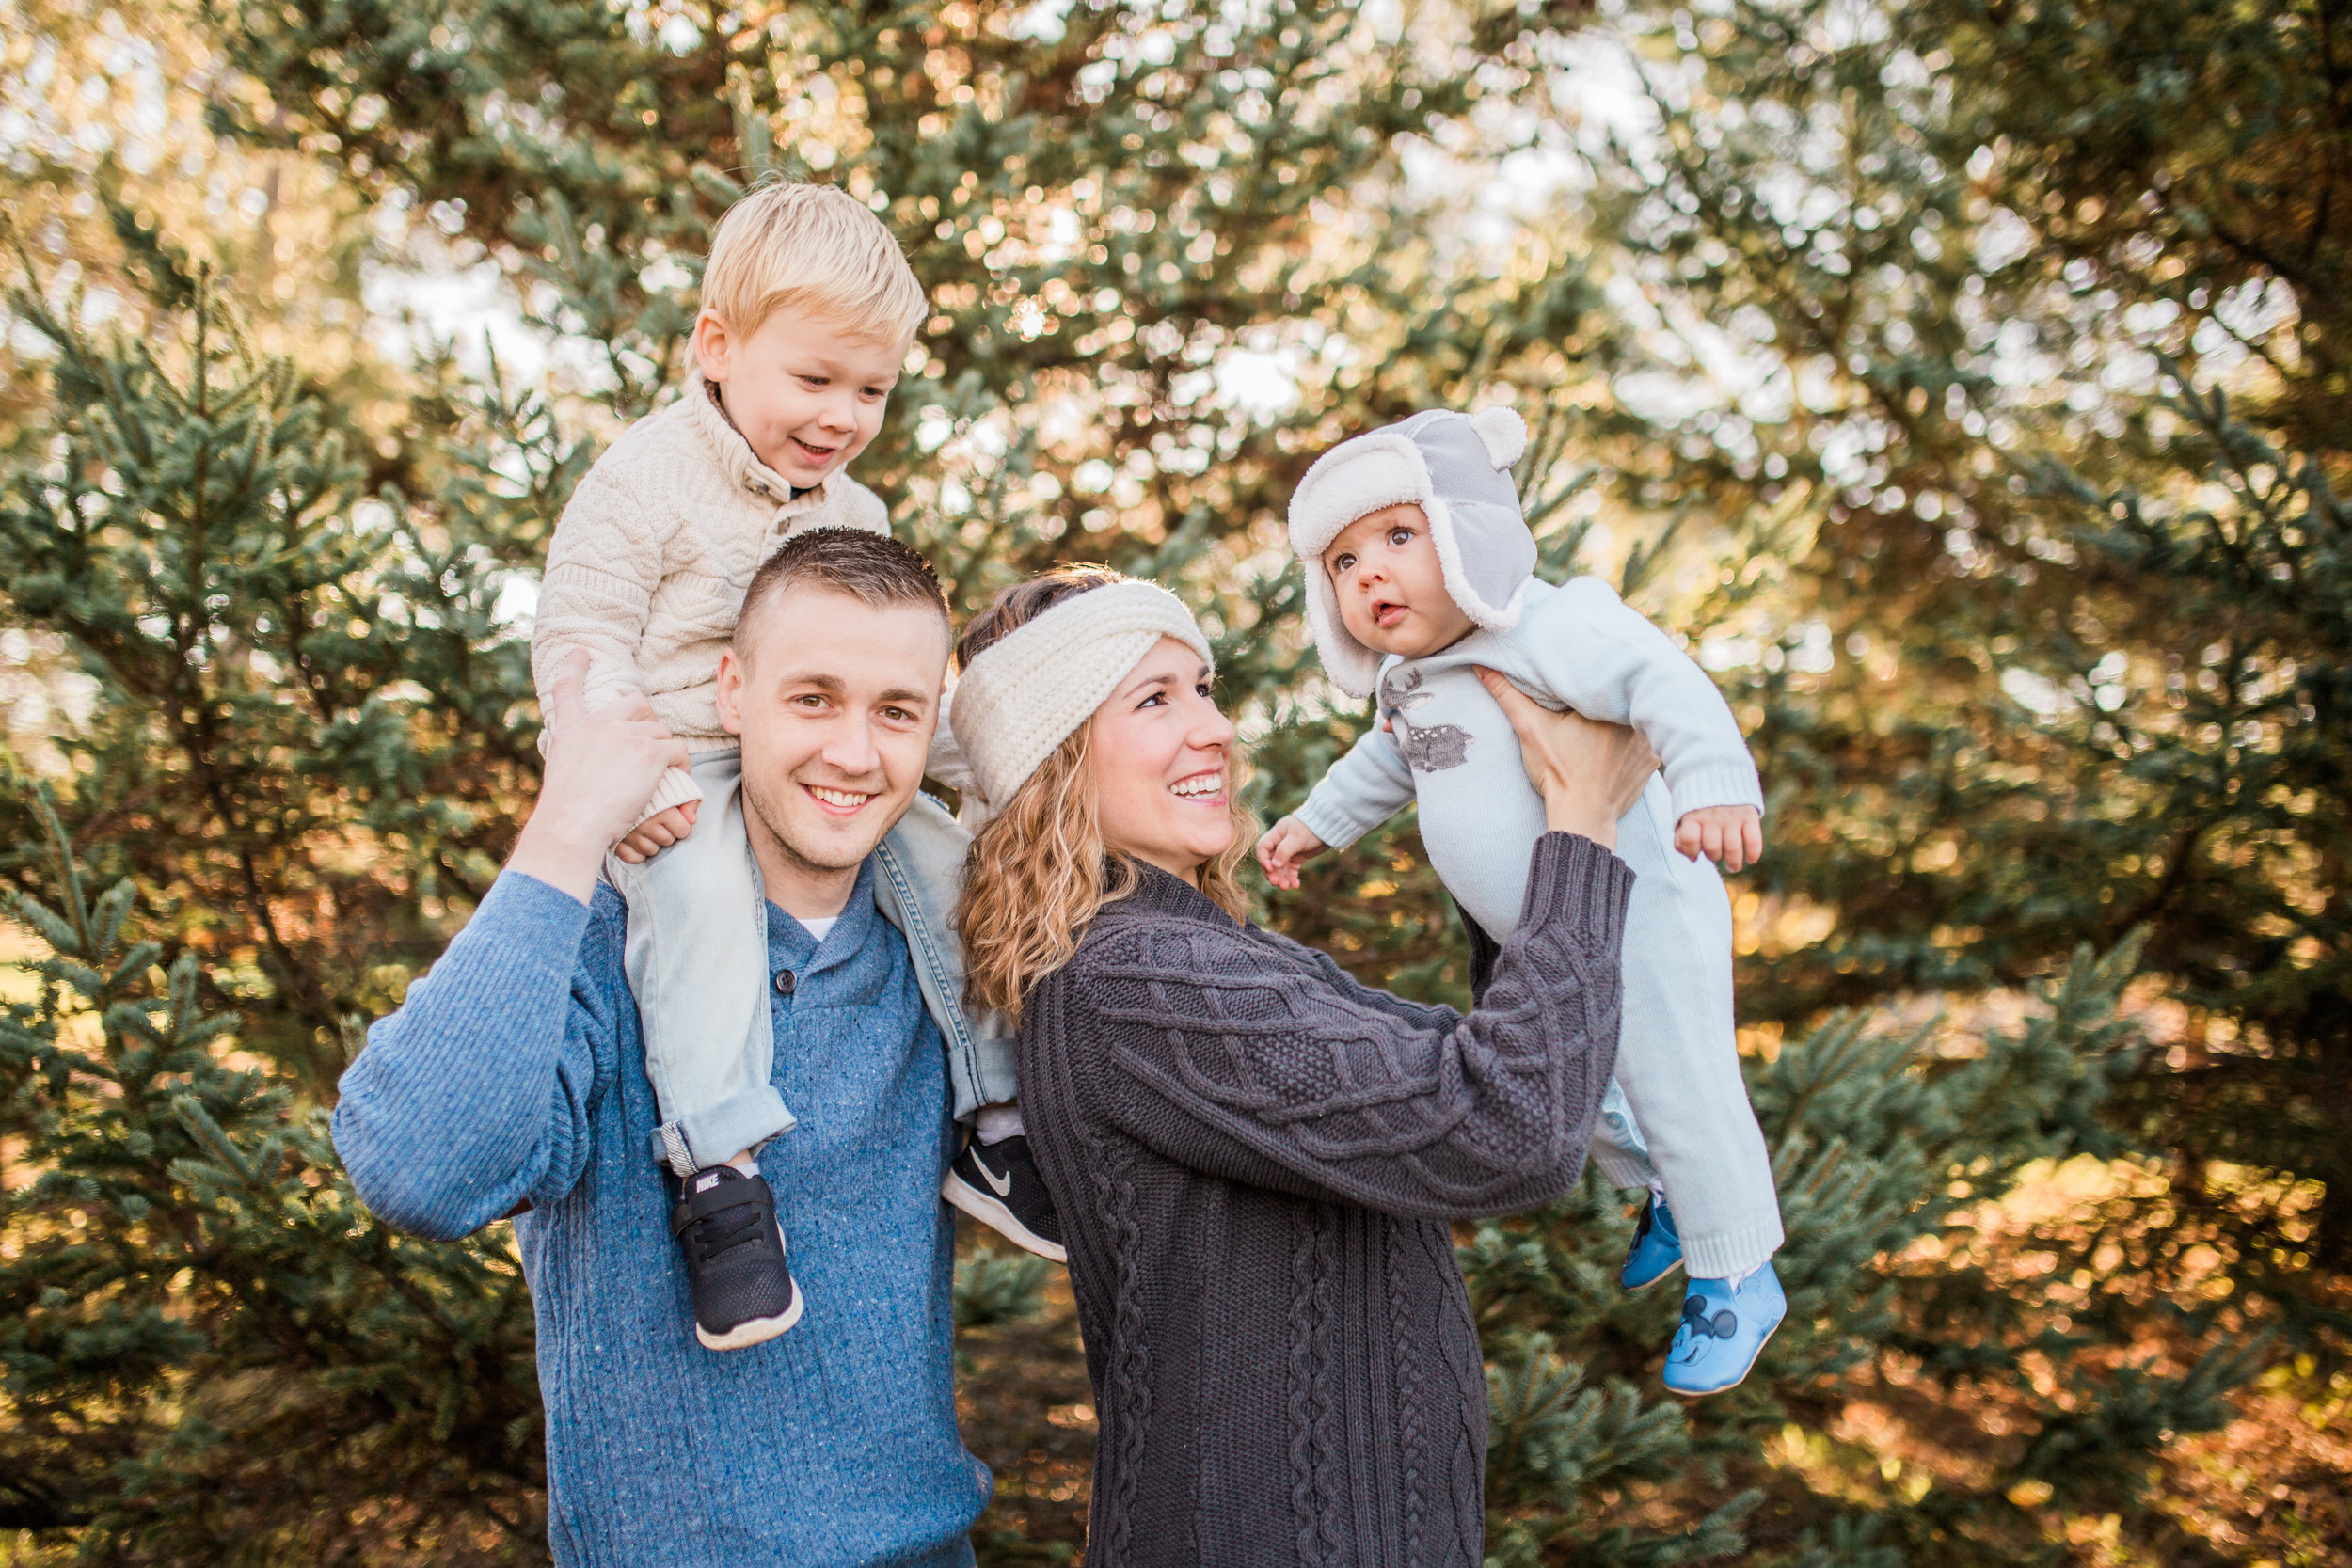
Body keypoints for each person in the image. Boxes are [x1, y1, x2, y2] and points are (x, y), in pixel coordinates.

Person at [945, 566, 1657, 1566]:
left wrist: (1500, 828)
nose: (1216, 729)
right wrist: (1582, 819)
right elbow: (1511, 1127)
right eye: (1155, 699)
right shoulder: (1135, 977)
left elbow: (1487, 1068)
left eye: (1203, 686)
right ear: (1051, 758)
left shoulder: (1193, 953)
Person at [335, 531, 993, 1567]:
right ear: (732, 691)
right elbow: (420, 1169)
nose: (856, 753)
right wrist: (567, 825)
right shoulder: (605, 940)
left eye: (895, 710)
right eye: (813, 697)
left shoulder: (944, 951)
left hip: (925, 1548)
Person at [528, 182, 1057, 1353]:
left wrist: (978, 768)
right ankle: (719, 1170)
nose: (842, 415)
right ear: (716, 346)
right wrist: (619, 774)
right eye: (814, 380)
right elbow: (579, 632)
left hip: (829, 754)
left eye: (870, 389)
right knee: (703, 904)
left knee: (948, 860)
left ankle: (992, 1109)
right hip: (681, 769)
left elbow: (897, 661)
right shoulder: (647, 479)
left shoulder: (854, 505)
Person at [1254, 406, 1787, 1396]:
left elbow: (1662, 680)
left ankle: (1737, 1268)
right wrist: (1316, 820)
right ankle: (1670, 1193)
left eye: (1398, 538)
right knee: (1579, 1077)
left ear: (1466, 531)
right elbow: (1389, 760)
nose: (1369, 572)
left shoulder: (1550, 624)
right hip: (1544, 930)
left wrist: (1714, 780)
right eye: (1342, 560)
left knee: (1677, 1075)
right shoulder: (1411, 677)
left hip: (1640, 903)